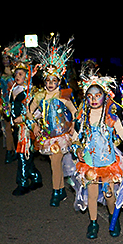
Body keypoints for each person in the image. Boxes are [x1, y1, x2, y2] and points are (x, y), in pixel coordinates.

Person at [72, 63, 123, 239]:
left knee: (109, 194)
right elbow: (75, 138)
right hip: (89, 162)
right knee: (92, 193)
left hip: (108, 163)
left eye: (98, 95)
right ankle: (93, 222)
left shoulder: (111, 117)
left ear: (105, 96)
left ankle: (114, 219)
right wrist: (78, 149)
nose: (94, 99)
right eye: (90, 96)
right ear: (86, 98)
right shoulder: (83, 117)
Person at [29, 36, 77, 206]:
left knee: (60, 164)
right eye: (48, 80)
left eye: (54, 80)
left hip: (63, 135)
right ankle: (59, 190)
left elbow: (74, 111)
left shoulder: (63, 96)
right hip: (49, 136)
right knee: (55, 163)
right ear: (44, 81)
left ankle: (59, 191)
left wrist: (72, 124)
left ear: (58, 81)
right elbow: (29, 112)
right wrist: (34, 124)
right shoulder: (40, 96)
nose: (50, 83)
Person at [5, 43, 42, 196]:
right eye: (16, 74)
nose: (17, 77)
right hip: (16, 128)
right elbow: (10, 107)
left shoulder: (30, 91)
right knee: (25, 156)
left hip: (25, 129)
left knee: (22, 155)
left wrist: (25, 119)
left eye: (20, 74)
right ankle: (36, 177)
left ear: (27, 75)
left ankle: (22, 183)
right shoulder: (14, 89)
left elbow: (38, 112)